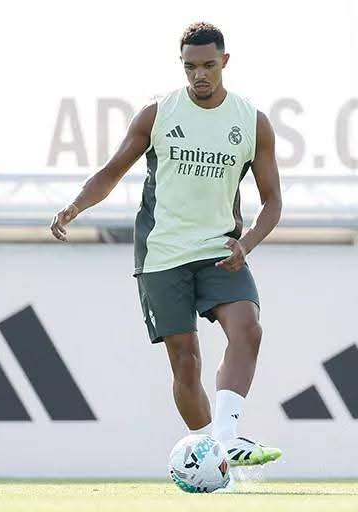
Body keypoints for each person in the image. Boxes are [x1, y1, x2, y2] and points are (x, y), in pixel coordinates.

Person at [50, 21, 282, 466]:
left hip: (219, 251)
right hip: (162, 254)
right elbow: (111, 172)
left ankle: (227, 439)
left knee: (248, 330)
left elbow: (272, 202)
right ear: (182, 65)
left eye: (209, 65)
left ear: (225, 62)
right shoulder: (157, 114)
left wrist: (247, 243)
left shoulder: (252, 122)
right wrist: (74, 207)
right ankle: (214, 463)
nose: (200, 75)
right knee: (186, 363)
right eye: (191, 67)